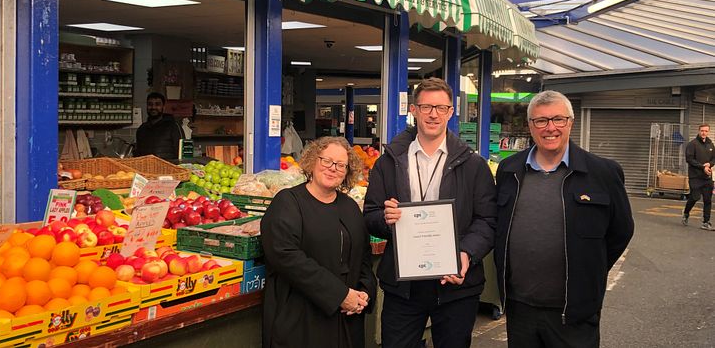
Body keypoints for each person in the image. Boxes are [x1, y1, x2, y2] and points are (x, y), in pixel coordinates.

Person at [494, 90, 635, 348]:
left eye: (558, 119)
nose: (550, 128)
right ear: (530, 126)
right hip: (519, 308)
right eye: (541, 121)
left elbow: (621, 231)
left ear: (570, 122)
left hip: (574, 313)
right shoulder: (509, 170)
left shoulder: (602, 172)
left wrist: (589, 269)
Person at [364, 77, 497, 348]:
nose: (433, 114)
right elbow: (371, 215)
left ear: (450, 112)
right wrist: (386, 219)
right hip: (403, 287)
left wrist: (466, 253)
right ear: (414, 110)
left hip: (456, 285)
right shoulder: (388, 162)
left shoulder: (473, 165)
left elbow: (488, 220)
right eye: (426, 107)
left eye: (441, 108)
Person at [261, 137, 377, 348]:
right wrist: (340, 295)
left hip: (346, 321)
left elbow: (363, 256)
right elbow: (287, 257)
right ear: (313, 161)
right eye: (327, 161)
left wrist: (365, 293)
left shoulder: (350, 207)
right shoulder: (287, 203)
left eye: (341, 165)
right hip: (302, 321)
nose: (333, 169)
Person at [682, 123, 715, 231]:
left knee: (707, 200)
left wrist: (709, 165)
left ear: (708, 132)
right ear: (698, 131)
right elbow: (689, 159)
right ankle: (686, 213)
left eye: (706, 131)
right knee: (695, 197)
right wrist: (702, 167)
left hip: (707, 178)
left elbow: (714, 159)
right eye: (702, 130)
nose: (704, 133)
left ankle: (706, 222)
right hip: (695, 177)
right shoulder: (693, 144)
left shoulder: (711, 144)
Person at [134, 92, 183, 160]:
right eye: (150, 104)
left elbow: (182, 154)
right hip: (146, 169)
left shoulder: (174, 126)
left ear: (163, 107)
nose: (153, 107)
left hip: (168, 169)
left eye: (157, 104)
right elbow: (138, 154)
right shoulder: (141, 129)